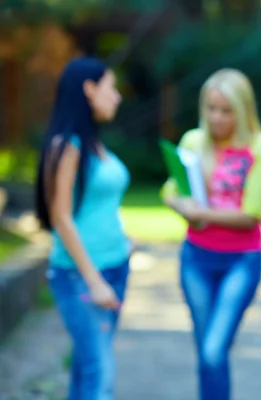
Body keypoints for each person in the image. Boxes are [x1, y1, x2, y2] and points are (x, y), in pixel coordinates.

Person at [161, 68, 261, 400]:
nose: (216, 117)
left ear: (242, 111)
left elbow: (250, 214)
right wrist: (181, 206)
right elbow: (169, 190)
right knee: (207, 355)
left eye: (225, 110)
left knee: (214, 350)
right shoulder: (192, 141)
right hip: (195, 258)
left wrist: (201, 214)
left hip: (241, 260)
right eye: (211, 108)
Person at [34, 57, 130, 400]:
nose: (117, 97)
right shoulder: (66, 145)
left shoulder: (94, 145)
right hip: (81, 278)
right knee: (99, 376)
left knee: (86, 369)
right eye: (111, 87)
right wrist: (94, 280)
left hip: (115, 266)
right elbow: (61, 218)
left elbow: (99, 207)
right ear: (90, 89)